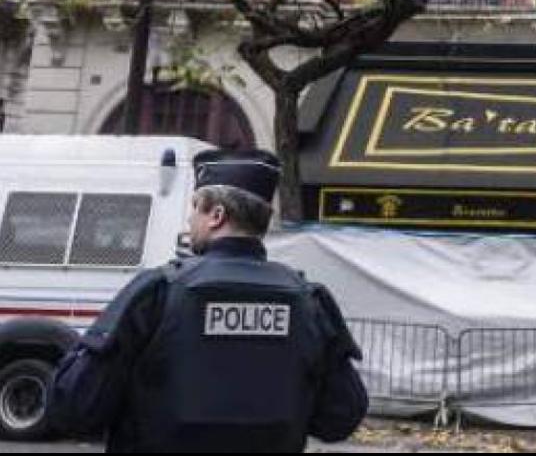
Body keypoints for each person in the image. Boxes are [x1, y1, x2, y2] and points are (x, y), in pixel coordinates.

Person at [49, 149, 369, 453]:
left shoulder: (159, 290)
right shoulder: (308, 301)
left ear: (216, 215)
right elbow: (341, 417)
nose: (189, 221)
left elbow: (76, 406)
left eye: (194, 208)